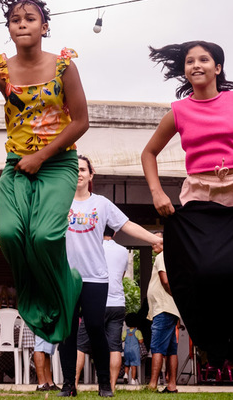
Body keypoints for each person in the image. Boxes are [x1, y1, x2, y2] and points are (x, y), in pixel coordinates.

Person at [0, 0, 89, 346]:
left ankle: (64, 284)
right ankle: (33, 295)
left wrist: (41, 156)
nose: (22, 24)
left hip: (57, 164)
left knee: (44, 236)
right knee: (9, 235)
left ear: (44, 26)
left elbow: (82, 121)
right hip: (16, 166)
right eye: (15, 20)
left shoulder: (63, 65)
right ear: (8, 28)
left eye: (30, 19)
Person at [140, 40, 233, 368]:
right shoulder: (179, 111)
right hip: (200, 196)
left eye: (203, 59)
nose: (195, 65)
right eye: (189, 61)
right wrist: (157, 193)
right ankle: (211, 340)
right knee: (202, 272)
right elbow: (148, 153)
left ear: (218, 68)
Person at [60, 156, 161, 397]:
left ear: (91, 174)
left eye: (83, 169)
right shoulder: (60, 203)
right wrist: (8, 237)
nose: (78, 174)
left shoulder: (102, 204)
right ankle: (68, 385)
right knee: (68, 333)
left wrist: (154, 239)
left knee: (96, 328)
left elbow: (127, 225)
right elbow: (37, 224)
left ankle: (104, 384)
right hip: (67, 278)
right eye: (74, 170)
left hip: (96, 277)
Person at [145, 251, 180, 393]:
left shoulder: (163, 256)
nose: (153, 245)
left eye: (157, 241)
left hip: (163, 308)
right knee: (172, 350)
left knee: (157, 347)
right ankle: (171, 385)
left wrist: (175, 295)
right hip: (169, 309)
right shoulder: (173, 257)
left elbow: (165, 280)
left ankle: (152, 384)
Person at [102, 229, 131, 385]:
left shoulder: (95, 247)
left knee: (82, 344)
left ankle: (75, 383)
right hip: (117, 302)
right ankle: (112, 386)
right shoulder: (123, 251)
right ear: (113, 233)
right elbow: (121, 275)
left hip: (97, 301)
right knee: (115, 346)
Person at [121, 318, 143, 386]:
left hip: (127, 350)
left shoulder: (125, 331)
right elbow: (140, 341)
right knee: (134, 365)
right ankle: (133, 380)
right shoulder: (137, 332)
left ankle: (125, 374)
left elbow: (122, 339)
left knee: (127, 364)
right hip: (135, 351)